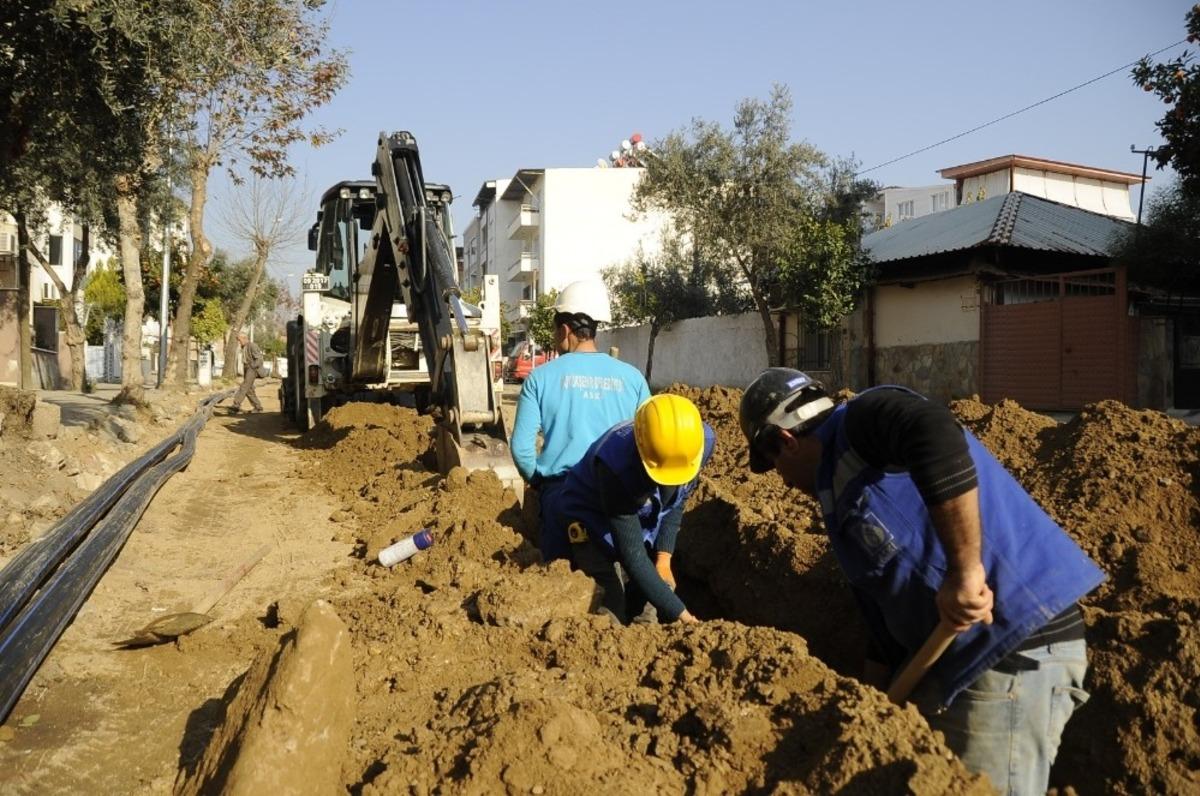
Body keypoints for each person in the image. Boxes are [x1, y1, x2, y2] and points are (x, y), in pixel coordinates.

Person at [738, 368, 1105, 795]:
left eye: (774, 465)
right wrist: (868, 707)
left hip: (1007, 647)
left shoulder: (861, 421)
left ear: (786, 441)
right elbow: (883, 630)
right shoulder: (838, 502)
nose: (780, 480)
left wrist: (965, 571)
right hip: (952, 669)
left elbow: (933, 430)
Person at [511, 278, 650, 560]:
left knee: (559, 586)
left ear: (564, 330)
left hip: (563, 497)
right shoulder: (633, 378)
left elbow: (522, 450)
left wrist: (540, 482)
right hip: (618, 499)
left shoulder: (539, 378)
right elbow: (649, 441)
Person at [547, 394, 715, 625]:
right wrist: (684, 616)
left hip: (640, 513)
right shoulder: (615, 465)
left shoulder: (697, 444)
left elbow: (675, 503)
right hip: (592, 517)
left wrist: (663, 559)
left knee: (647, 604)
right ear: (640, 448)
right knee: (611, 602)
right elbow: (632, 553)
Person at [228, 332, 265, 414]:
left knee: (244, 386)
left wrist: (252, 366)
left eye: (239, 340)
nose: (239, 342)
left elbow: (259, 359)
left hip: (252, 368)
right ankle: (258, 407)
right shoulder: (244, 346)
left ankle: (236, 405)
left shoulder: (252, 345)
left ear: (244, 338)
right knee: (249, 390)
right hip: (247, 368)